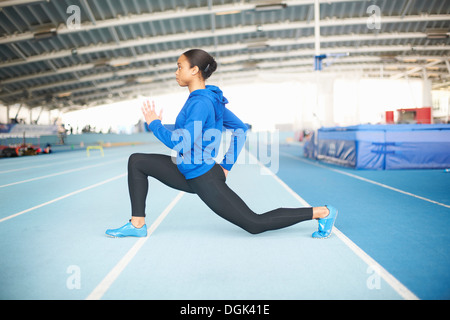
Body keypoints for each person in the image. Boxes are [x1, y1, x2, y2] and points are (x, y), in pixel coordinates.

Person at [106, 49, 337, 239]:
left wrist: (155, 124)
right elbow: (239, 129)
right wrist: (225, 165)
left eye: (179, 67)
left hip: (202, 177)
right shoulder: (208, 99)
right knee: (137, 161)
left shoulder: (201, 103)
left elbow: (182, 143)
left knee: (253, 223)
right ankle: (137, 224)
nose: (176, 72)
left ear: (194, 70)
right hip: (188, 169)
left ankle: (322, 212)